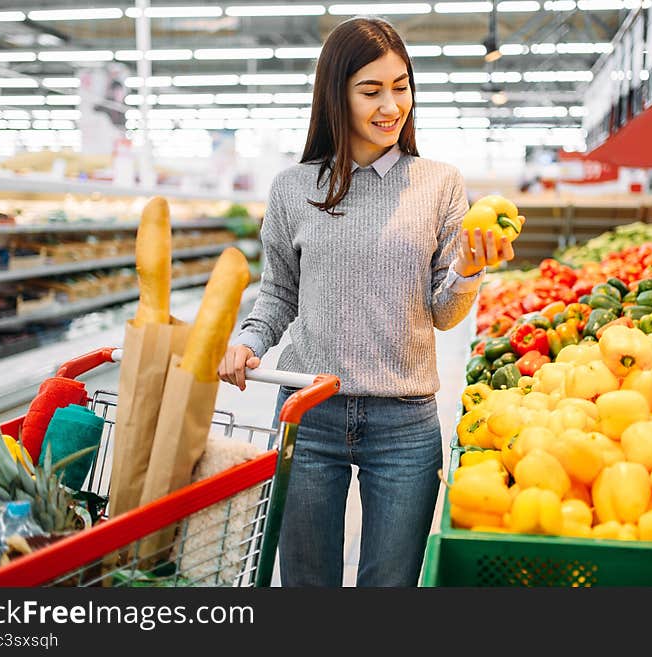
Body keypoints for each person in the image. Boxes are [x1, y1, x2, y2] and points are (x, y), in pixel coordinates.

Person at [219, 16, 515, 587]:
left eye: (400, 86)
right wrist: (247, 342)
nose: (390, 106)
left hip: (404, 422)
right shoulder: (293, 188)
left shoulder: (440, 183)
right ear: (337, 95)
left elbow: (444, 313)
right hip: (308, 413)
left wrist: (469, 269)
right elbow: (278, 293)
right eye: (371, 90)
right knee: (307, 588)